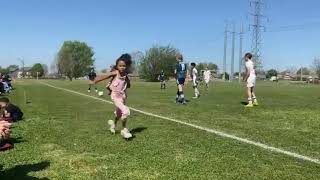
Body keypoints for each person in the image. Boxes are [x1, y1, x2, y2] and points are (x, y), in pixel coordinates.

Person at [90, 54, 133, 139]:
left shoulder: (126, 76)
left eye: (124, 66)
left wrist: (126, 84)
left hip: (122, 97)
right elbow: (106, 76)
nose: (122, 67)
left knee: (118, 114)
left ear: (127, 66)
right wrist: (95, 80)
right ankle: (124, 129)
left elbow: (128, 85)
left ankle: (113, 124)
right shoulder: (115, 73)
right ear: (117, 66)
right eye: (120, 66)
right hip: (115, 96)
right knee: (125, 111)